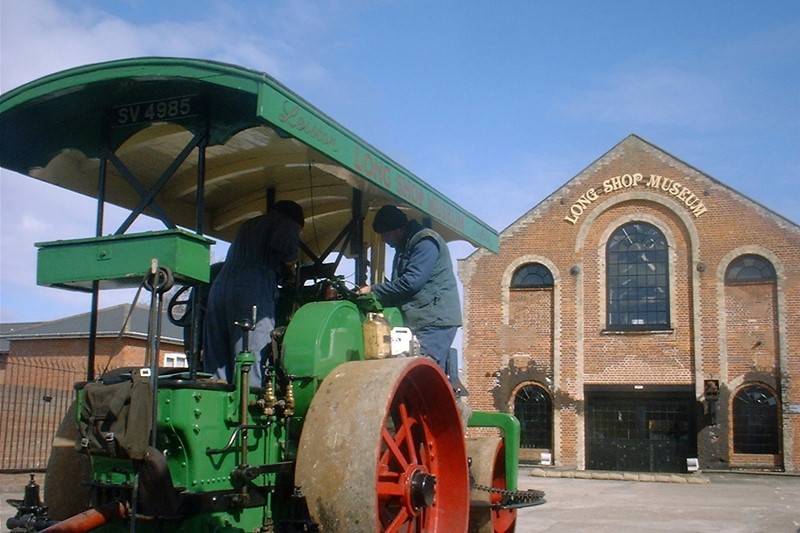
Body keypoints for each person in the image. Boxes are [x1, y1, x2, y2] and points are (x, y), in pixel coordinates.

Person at [203, 200, 304, 387]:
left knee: (217, 353)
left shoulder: (248, 224)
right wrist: (291, 271)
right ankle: (249, 405)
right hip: (251, 287)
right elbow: (288, 251)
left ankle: (214, 395)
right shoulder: (287, 224)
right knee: (251, 349)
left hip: (219, 287)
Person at [356, 205, 462, 372]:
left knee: (422, 372)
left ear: (398, 229)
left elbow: (412, 282)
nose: (383, 239)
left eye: (385, 234)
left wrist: (373, 289)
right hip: (421, 318)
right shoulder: (405, 245)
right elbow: (403, 284)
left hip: (433, 321)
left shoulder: (425, 242)